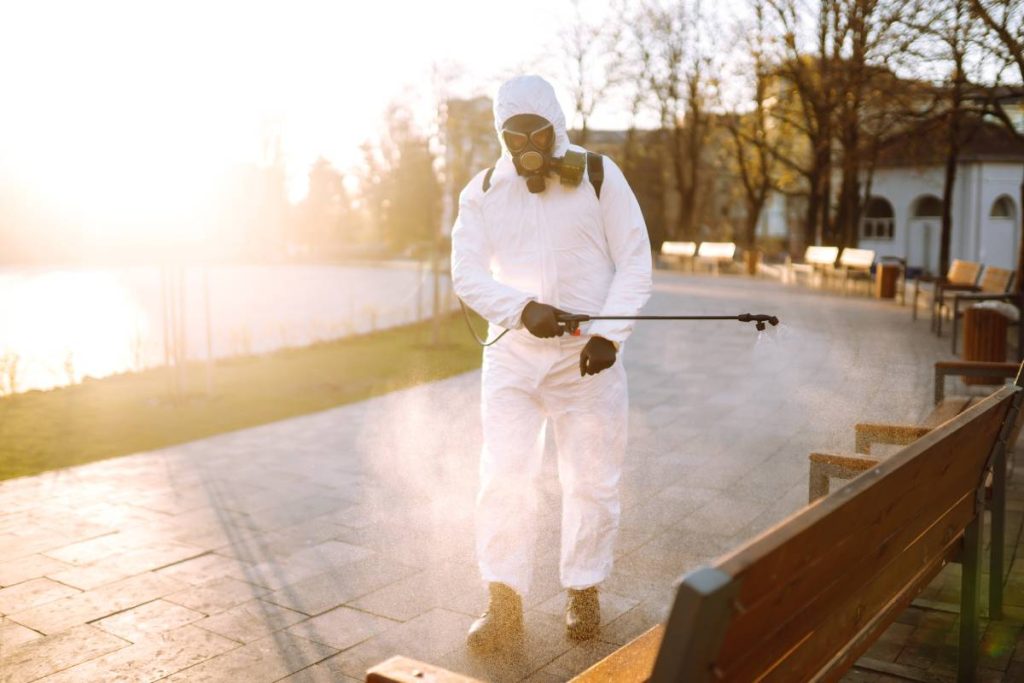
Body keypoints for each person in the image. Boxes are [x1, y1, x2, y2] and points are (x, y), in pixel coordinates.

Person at [450, 74, 652, 650]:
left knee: (591, 480)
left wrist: (610, 335)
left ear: (556, 125)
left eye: (536, 131)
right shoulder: (484, 190)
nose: (526, 144)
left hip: (587, 360)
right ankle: (504, 603)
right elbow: (466, 273)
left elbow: (635, 260)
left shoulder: (597, 175)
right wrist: (519, 310)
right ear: (501, 135)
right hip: (513, 361)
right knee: (503, 478)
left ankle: (583, 592)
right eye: (514, 134)